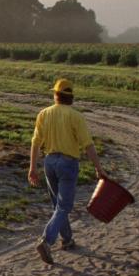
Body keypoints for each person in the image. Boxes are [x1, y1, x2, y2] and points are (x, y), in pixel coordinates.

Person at [27, 78, 106, 265]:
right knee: (64, 207)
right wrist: (99, 169)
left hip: (49, 162)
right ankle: (46, 241)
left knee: (58, 206)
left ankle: (67, 239)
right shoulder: (75, 116)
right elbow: (88, 145)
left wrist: (32, 168)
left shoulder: (43, 114)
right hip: (68, 164)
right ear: (71, 97)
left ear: (55, 95)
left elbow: (35, 142)